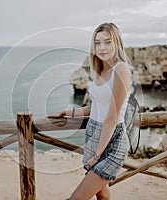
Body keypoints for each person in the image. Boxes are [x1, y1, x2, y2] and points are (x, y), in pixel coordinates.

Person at [48, 22, 132, 200]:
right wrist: (67, 112)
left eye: (108, 42)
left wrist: (97, 154)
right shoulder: (101, 70)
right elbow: (96, 107)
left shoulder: (122, 70)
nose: (102, 47)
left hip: (112, 142)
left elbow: (112, 117)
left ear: (117, 43)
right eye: (97, 42)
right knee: (102, 196)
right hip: (94, 135)